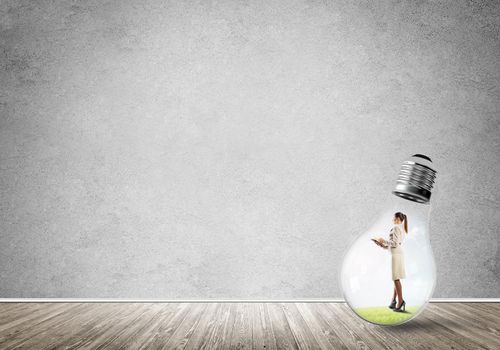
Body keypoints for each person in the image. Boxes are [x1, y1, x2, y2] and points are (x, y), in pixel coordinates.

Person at [371, 212, 408, 312]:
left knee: (396, 278)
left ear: (397, 218)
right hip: (397, 254)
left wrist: (383, 240)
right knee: (396, 278)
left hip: (396, 255)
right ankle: (393, 301)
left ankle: (400, 302)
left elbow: (395, 243)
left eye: (393, 217)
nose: (392, 219)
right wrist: (381, 245)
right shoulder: (401, 228)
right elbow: (394, 244)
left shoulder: (396, 228)